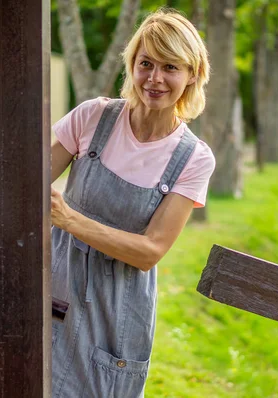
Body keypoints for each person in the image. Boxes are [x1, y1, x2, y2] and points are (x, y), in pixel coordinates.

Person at [50, 9, 215, 397]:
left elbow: (150, 251)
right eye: (146, 63)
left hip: (118, 306)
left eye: (170, 67)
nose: (155, 79)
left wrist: (69, 220)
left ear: (192, 74)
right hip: (55, 283)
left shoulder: (193, 159)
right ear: (132, 64)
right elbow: (27, 187)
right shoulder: (93, 117)